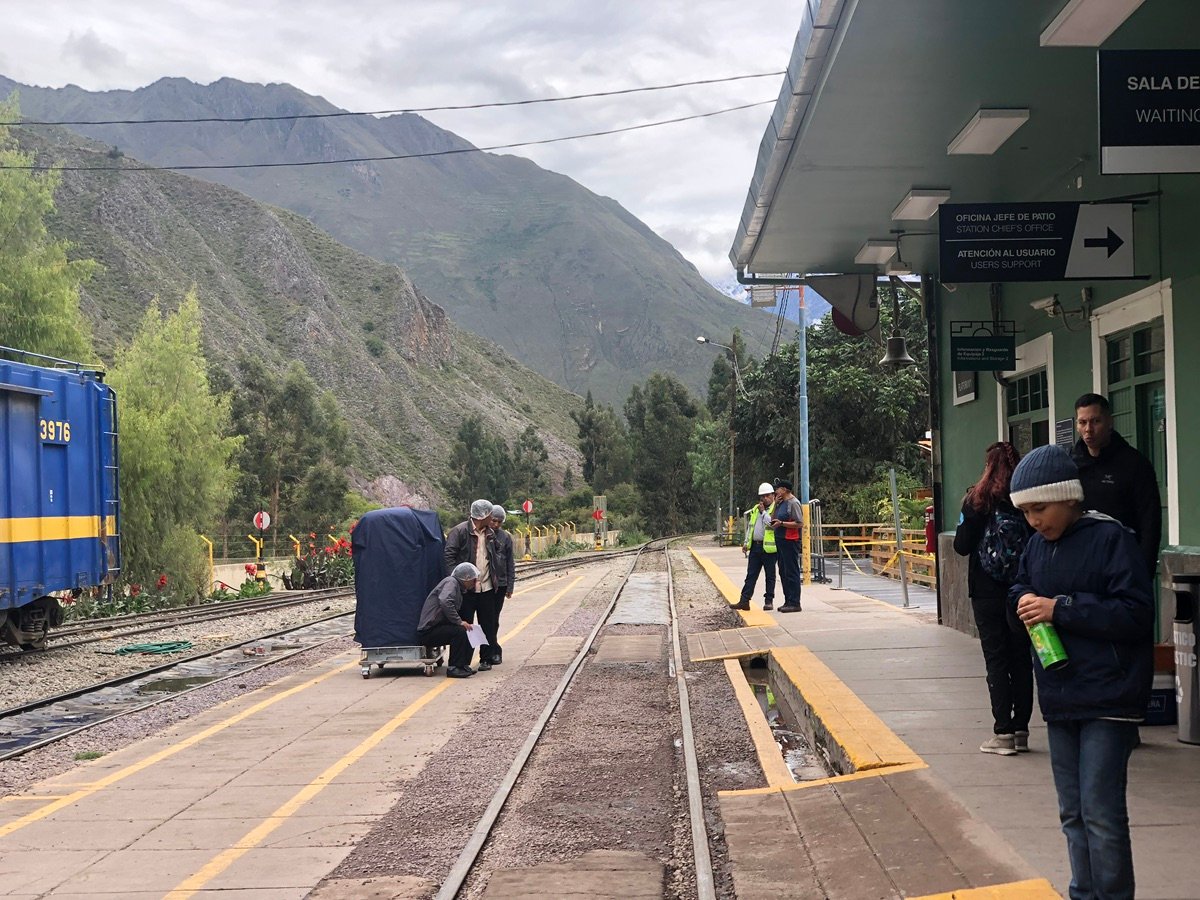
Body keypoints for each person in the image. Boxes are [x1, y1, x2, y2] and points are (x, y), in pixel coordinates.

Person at [1008, 444, 1153, 900]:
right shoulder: (1036, 546)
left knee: (1101, 812)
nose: (1034, 520)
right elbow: (1021, 583)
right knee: (1072, 812)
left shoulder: (1111, 539)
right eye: (1026, 511)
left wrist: (1060, 609)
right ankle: (1082, 893)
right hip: (1060, 696)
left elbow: (1134, 613)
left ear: (1070, 498)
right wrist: (1023, 601)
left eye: (1040, 508)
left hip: (1109, 698)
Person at [952, 441, 1034, 756]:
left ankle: (1003, 733)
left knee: (996, 659)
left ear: (988, 466)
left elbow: (960, 546)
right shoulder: (1026, 499)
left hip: (986, 591)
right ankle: (1022, 729)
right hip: (1021, 589)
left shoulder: (976, 500)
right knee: (1021, 657)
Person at [1071, 393, 1162, 578]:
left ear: (1109, 421)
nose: (1088, 429)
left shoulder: (1134, 464)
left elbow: (1150, 521)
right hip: (1081, 564)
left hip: (1123, 564)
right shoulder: (1070, 464)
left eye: (1095, 421)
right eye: (1082, 422)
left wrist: (1143, 571)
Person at [444, 498, 504, 671]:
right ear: (483, 515)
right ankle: (462, 662)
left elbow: (496, 556)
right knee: (466, 626)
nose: (492, 517)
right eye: (490, 513)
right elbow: (449, 557)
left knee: (488, 625)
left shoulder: (491, 534)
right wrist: (456, 582)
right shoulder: (460, 531)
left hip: (487, 588)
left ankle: (486, 659)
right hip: (466, 590)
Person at [416, 562, 481, 678]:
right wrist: (459, 621)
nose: (474, 583)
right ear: (466, 578)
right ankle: (454, 668)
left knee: (468, 630)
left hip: (437, 627)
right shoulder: (451, 582)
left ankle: (463, 665)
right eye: (473, 580)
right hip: (428, 631)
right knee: (460, 631)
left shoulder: (457, 586)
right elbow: (445, 601)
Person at [735, 482, 777, 611]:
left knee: (770, 576)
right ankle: (744, 601)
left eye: (767, 495)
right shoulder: (755, 509)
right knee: (751, 575)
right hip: (755, 547)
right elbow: (750, 527)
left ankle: (768, 601)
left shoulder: (776, 509)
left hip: (769, 549)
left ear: (773, 495)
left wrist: (763, 512)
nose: (765, 498)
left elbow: (772, 524)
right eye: (762, 496)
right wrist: (746, 543)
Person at [487, 503, 517, 665]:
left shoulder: (505, 537)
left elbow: (510, 563)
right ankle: (489, 651)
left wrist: (510, 586)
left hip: (501, 584)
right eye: (493, 521)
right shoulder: (482, 534)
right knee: (487, 619)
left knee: (494, 619)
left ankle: (494, 650)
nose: (496, 524)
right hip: (485, 584)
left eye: (499, 521)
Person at [770, 479, 804, 612]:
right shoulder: (780, 503)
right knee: (783, 571)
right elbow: (773, 519)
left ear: (784, 490)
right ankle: (788, 600)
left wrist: (782, 523)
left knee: (791, 571)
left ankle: (795, 602)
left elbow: (799, 523)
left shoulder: (793, 503)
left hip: (790, 540)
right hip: (780, 539)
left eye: (777, 489)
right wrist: (775, 505)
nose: (776, 491)